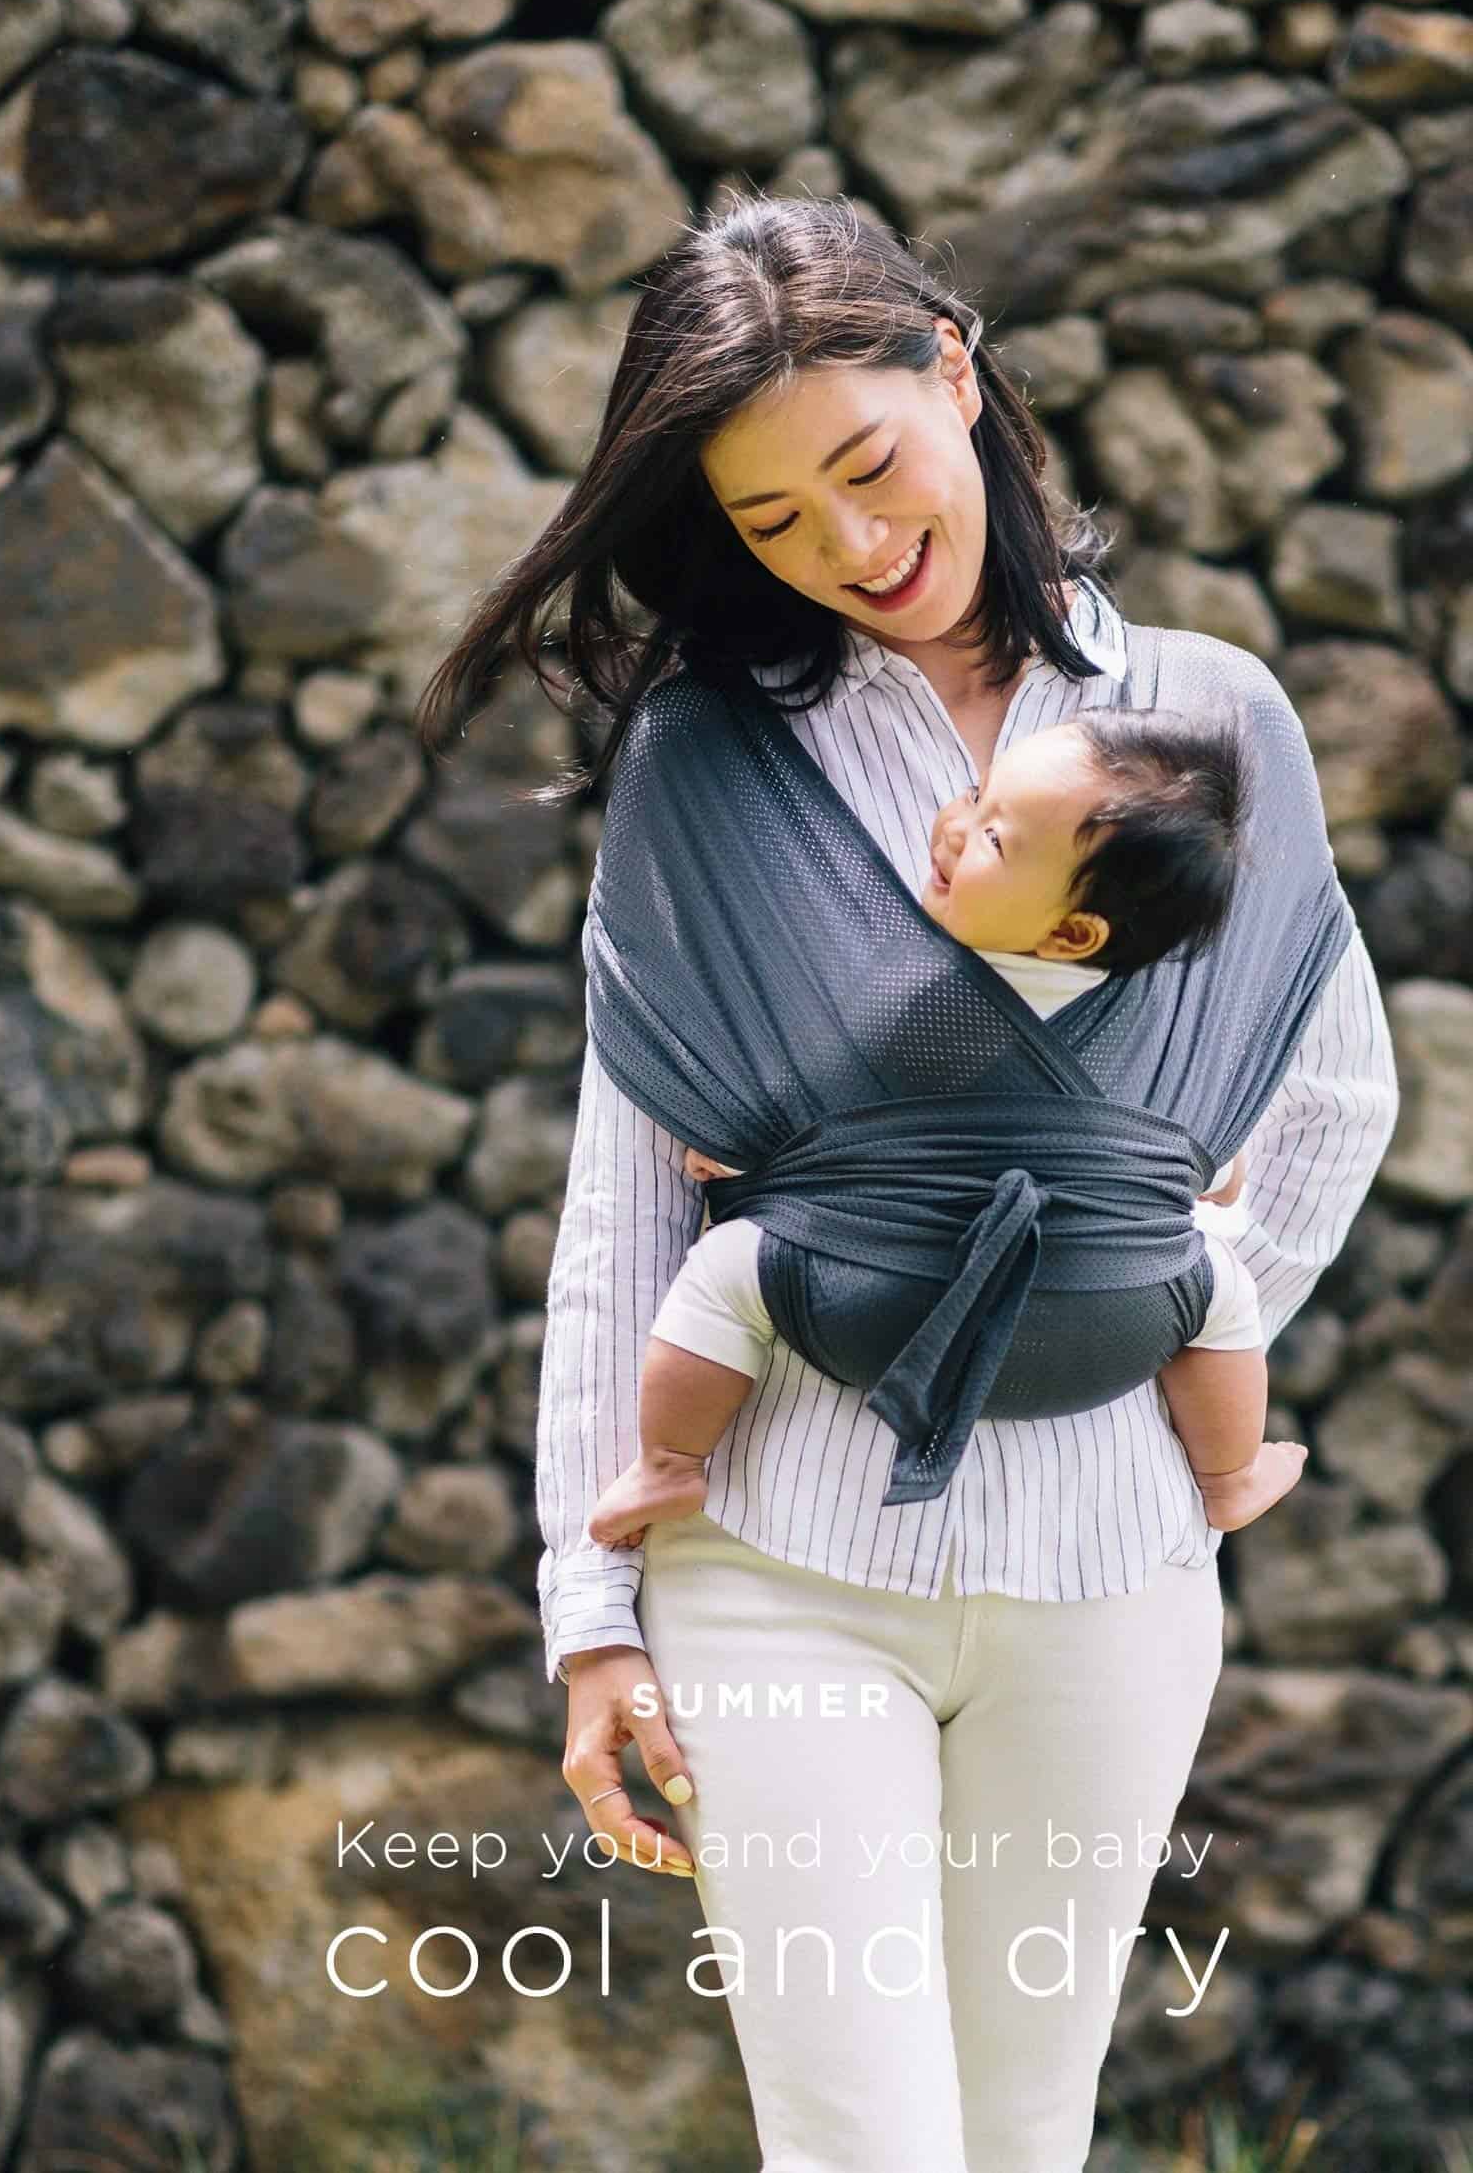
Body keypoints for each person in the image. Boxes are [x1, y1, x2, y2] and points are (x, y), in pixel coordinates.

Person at [415, 197, 1398, 2173]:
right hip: (777, 1567)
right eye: (778, 522)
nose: (854, 549)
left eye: (868, 468)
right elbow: (628, 1212)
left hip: (1109, 1575)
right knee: (860, 2143)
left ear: (953, 370)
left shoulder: (1204, 731)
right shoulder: (713, 763)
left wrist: (1124, 1302)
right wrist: (591, 1614)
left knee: (1024, 2136)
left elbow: (1338, 1096)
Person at [584, 707, 1309, 1559]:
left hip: (872, 1304)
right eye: (974, 795)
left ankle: (671, 1461)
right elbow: (1197, 1158)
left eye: (994, 837)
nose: (954, 828)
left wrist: (739, 1148)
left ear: (1070, 931)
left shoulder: (912, 996)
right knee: (1224, 1289)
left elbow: (797, 1104)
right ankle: (1228, 1476)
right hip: (1121, 1319)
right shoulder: (1160, 1026)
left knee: (723, 1273)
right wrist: (1216, 1175)